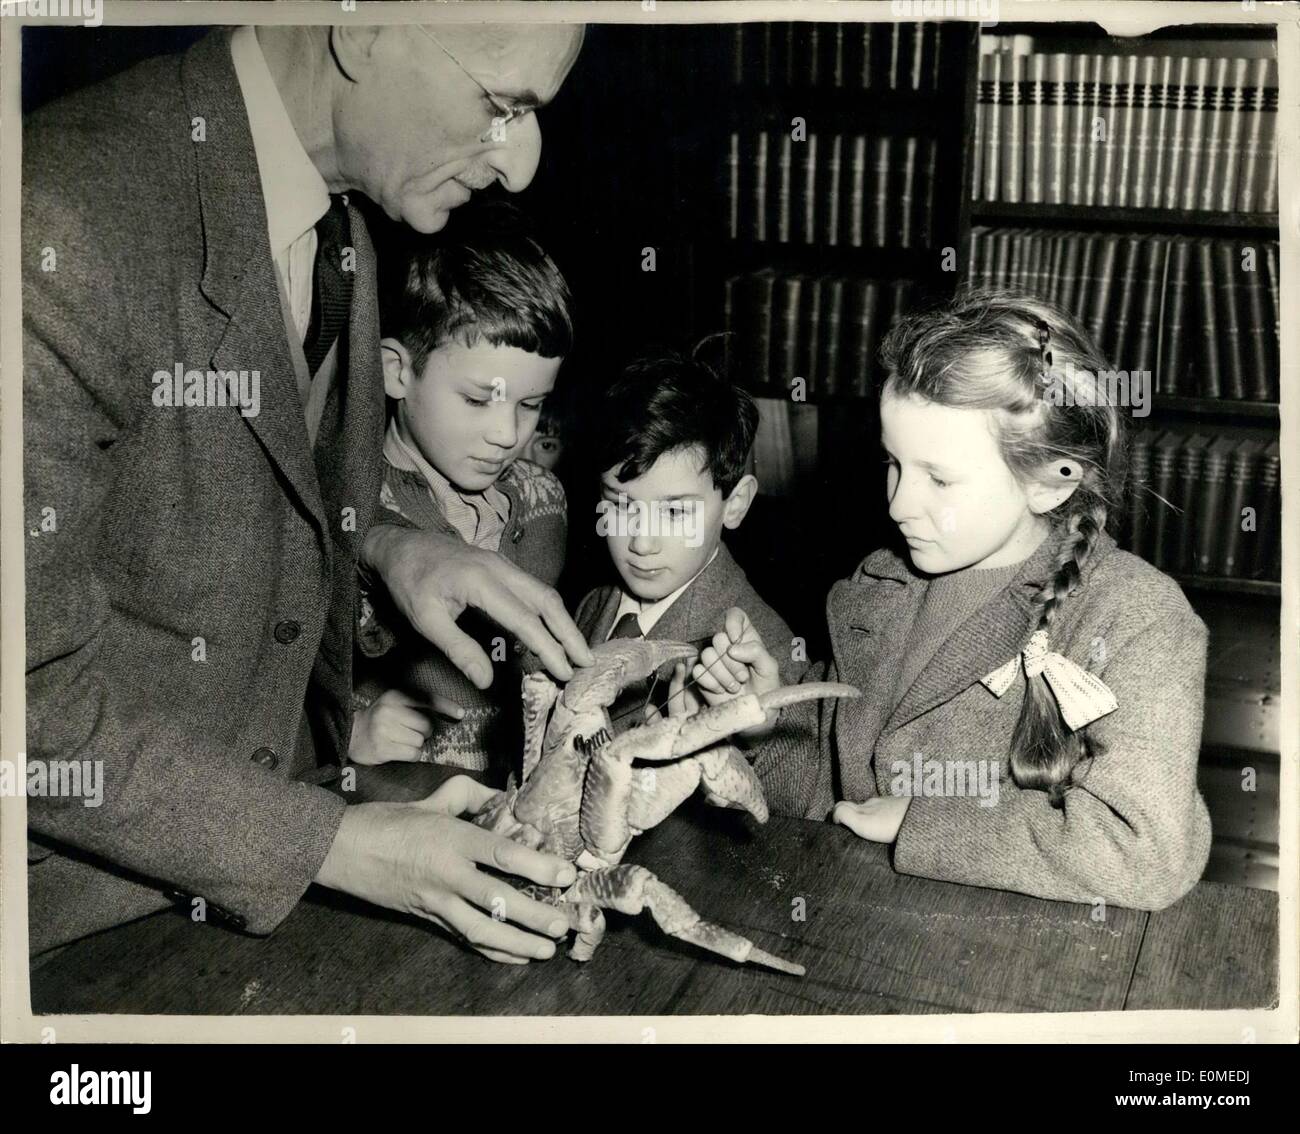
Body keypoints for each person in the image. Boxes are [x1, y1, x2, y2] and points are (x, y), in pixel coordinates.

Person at [23, 22, 594, 964]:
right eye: (502, 104)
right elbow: (23, 705)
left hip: (251, 878)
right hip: (70, 929)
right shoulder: (60, 221)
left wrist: (386, 543)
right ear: (362, 25)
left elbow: (222, 482)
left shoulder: (343, 230)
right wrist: (329, 843)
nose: (522, 163)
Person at [700, 292, 1211, 911]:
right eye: (893, 463)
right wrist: (767, 720)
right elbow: (828, 801)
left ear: (1050, 482)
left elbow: (1142, 852)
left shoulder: (1138, 622)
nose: (897, 505)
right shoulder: (883, 586)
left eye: (939, 479)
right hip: (854, 927)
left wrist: (925, 822)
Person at [350, 201, 574, 775]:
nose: (507, 434)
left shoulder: (545, 500)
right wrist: (346, 730)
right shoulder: (341, 505)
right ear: (397, 371)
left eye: (531, 405)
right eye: (478, 400)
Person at [574, 351, 806, 732]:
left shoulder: (771, 656)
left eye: (676, 513)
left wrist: (752, 737)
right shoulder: (594, 605)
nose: (642, 543)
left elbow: (787, 784)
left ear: (736, 505)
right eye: (619, 504)